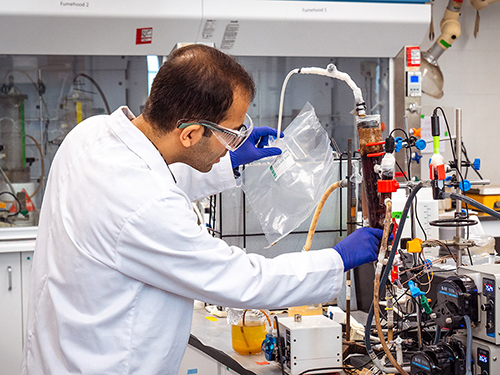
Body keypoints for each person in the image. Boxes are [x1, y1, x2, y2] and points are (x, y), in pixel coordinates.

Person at [22, 44, 383, 375]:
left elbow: (151, 175)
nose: (234, 144)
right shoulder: (147, 205)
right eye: (231, 135)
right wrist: (335, 260)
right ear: (191, 134)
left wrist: (229, 162)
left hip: (58, 355)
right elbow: (242, 280)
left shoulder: (92, 133)